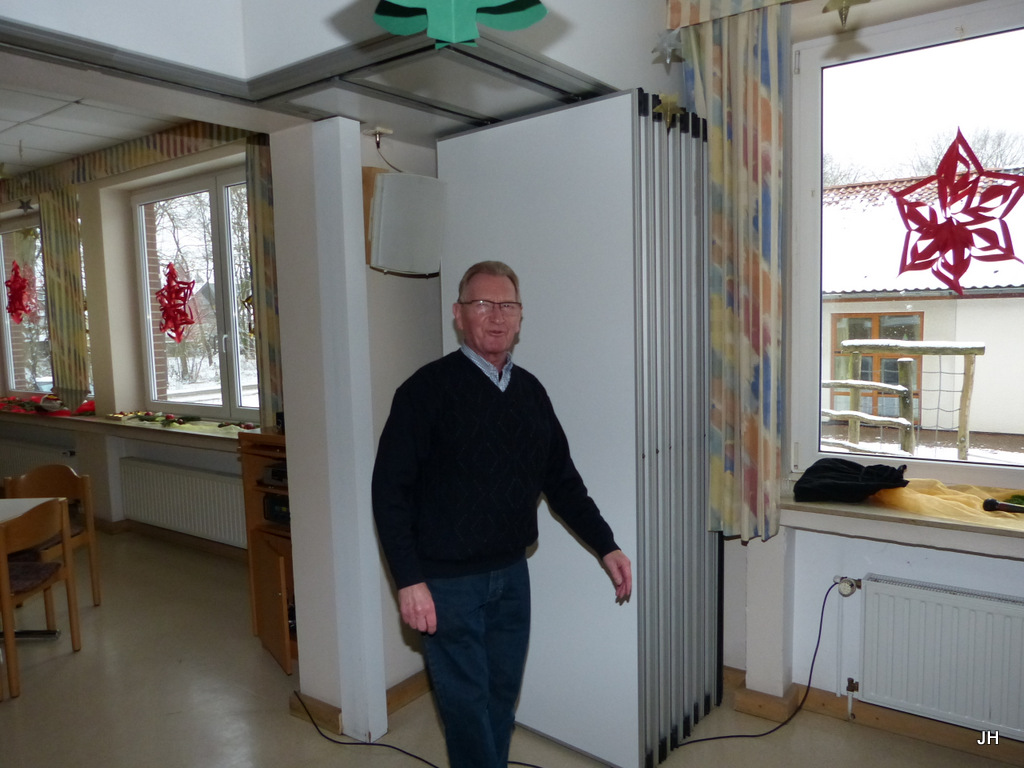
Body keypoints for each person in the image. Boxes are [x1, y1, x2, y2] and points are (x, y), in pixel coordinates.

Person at [372, 260, 632, 768]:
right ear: (458, 314)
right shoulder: (424, 392)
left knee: (499, 701)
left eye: (507, 305)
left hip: (512, 576)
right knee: (467, 709)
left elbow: (563, 481)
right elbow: (389, 493)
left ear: (520, 316)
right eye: (482, 304)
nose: (496, 316)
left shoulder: (531, 392)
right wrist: (409, 580)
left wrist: (607, 544)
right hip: (447, 585)